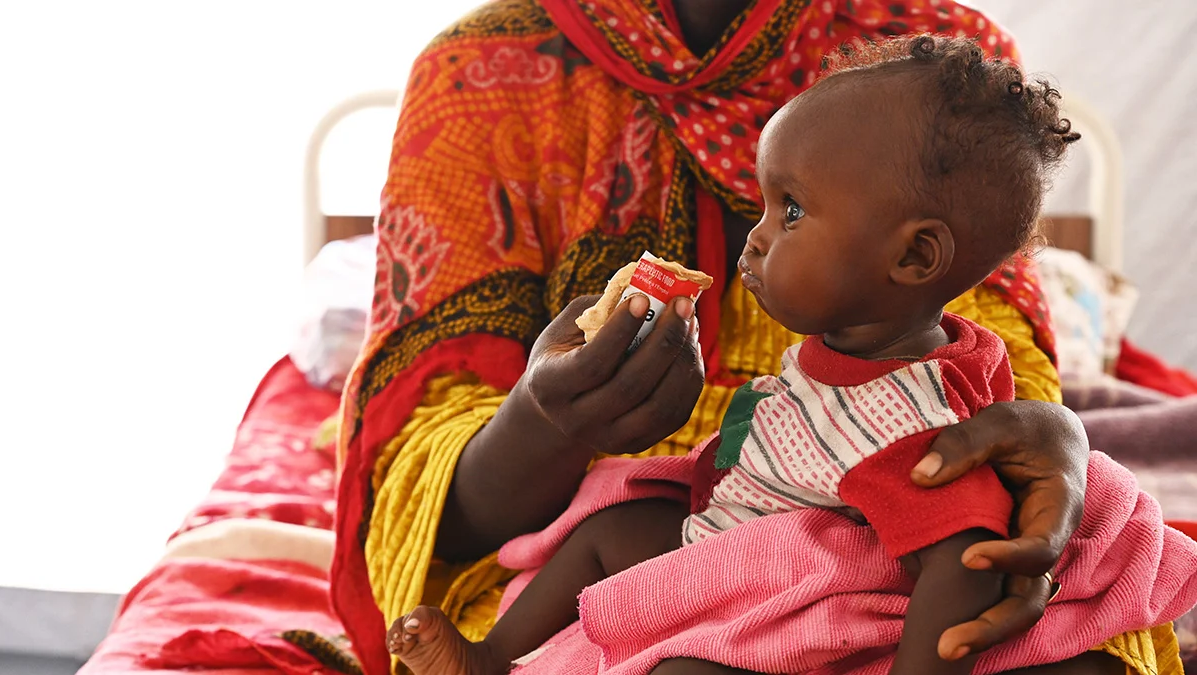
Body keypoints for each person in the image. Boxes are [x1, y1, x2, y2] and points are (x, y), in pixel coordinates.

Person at [328, 1, 1181, 674]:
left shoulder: (942, 62)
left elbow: (986, 396)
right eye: (768, 208)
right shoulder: (482, 77)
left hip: (854, 558)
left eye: (793, 211)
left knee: (1075, 641)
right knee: (592, 598)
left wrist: (1047, 433)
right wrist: (553, 423)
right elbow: (410, 483)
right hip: (680, 520)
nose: (758, 240)